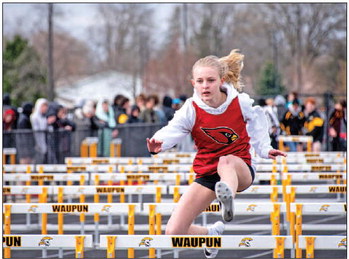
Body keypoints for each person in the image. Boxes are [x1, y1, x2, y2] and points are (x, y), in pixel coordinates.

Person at [146, 50, 286, 258]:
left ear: (221, 80)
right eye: (200, 81)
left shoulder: (239, 102)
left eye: (210, 80)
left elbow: (258, 122)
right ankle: (211, 234)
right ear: (193, 83)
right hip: (208, 173)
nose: (205, 86)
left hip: (239, 169)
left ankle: (226, 198)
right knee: (174, 232)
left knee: (226, 161)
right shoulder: (191, 109)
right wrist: (160, 142)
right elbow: (173, 129)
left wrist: (265, 148)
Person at [30, 98, 49, 164]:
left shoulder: (43, 117)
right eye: (43, 106)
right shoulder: (34, 117)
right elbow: (37, 129)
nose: (45, 108)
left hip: (43, 141)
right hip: (36, 142)